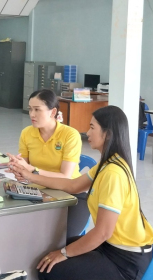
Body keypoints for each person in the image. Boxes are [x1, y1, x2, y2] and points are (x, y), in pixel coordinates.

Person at [9, 106, 153, 280]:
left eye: (92, 128)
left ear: (107, 134)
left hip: (126, 260)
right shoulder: (107, 164)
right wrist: (29, 176)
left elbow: (102, 233)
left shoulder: (113, 173)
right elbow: (72, 186)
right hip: (111, 246)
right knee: (50, 249)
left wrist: (64, 253)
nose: (87, 132)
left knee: (49, 268)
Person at [8, 89, 81, 179]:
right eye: (30, 109)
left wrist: (32, 170)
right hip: (37, 185)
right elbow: (25, 168)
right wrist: (18, 169)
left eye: (37, 109)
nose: (32, 114)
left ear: (53, 112)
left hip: (65, 188)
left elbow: (65, 176)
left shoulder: (70, 135)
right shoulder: (26, 133)